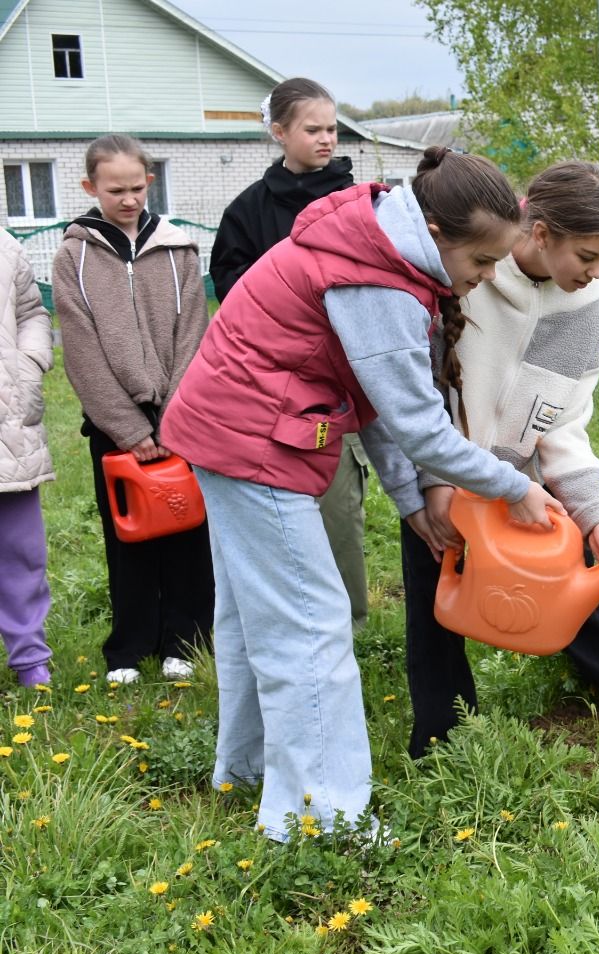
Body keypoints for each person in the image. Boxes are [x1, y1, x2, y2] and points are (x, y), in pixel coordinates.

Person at [161, 148, 548, 840]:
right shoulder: (380, 285)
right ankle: (323, 817)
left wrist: (410, 500)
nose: (486, 279)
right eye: (483, 262)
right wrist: (514, 487)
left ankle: (248, 771)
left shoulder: (374, 246)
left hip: (228, 430)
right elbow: (419, 427)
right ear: (435, 233)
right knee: (309, 625)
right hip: (252, 442)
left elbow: (370, 403)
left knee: (261, 619)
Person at [401, 161, 599, 759]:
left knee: (570, 574)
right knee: (433, 602)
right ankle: (441, 737)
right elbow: (420, 397)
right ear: (540, 234)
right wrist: (431, 484)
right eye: (587, 256)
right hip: (445, 480)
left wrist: (595, 516)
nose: (595, 273)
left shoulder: (588, 301)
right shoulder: (469, 272)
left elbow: (565, 422)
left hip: (525, 480)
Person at [211, 77, 371, 628]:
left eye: (332, 128)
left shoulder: (357, 202)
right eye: (313, 129)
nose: (326, 139)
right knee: (275, 508)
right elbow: (231, 288)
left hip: (338, 382)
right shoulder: (248, 211)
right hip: (272, 384)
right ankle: (283, 614)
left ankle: (346, 620)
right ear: (279, 133)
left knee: (337, 508)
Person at [53, 134, 213, 684]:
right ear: (89, 187)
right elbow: (82, 349)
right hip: (114, 427)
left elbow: (195, 335)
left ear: (150, 181)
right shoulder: (74, 256)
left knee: (187, 532)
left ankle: (184, 640)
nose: (128, 199)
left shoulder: (180, 250)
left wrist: (175, 419)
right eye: (114, 189)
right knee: (129, 537)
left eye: (137, 187)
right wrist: (124, 426)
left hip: (179, 423)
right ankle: (130, 647)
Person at [1, 228, 54, 689]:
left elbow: (31, 312)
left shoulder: (4, 245)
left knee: (21, 549)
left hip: (6, 420)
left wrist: (30, 362)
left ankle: (29, 657)